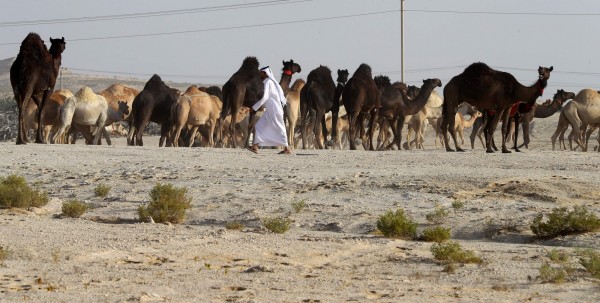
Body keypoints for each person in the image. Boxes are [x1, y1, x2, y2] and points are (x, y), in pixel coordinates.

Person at [246, 66, 292, 155]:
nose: (260, 74)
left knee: (280, 128)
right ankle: (255, 146)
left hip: (275, 110)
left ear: (265, 73)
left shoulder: (268, 82)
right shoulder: (267, 82)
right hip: (270, 110)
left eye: (261, 73)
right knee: (259, 126)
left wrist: (254, 108)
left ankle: (287, 148)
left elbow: (265, 98)